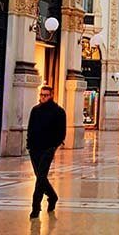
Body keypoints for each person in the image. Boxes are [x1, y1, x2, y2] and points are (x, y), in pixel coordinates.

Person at [27, 85, 66, 219]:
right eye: (41, 95)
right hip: (34, 148)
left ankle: (35, 207)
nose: (43, 97)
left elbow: (62, 132)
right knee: (40, 177)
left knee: (41, 176)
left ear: (51, 96)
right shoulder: (35, 110)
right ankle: (53, 196)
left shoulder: (58, 111)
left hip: (48, 148)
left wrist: (54, 145)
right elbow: (30, 128)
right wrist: (29, 144)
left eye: (45, 95)